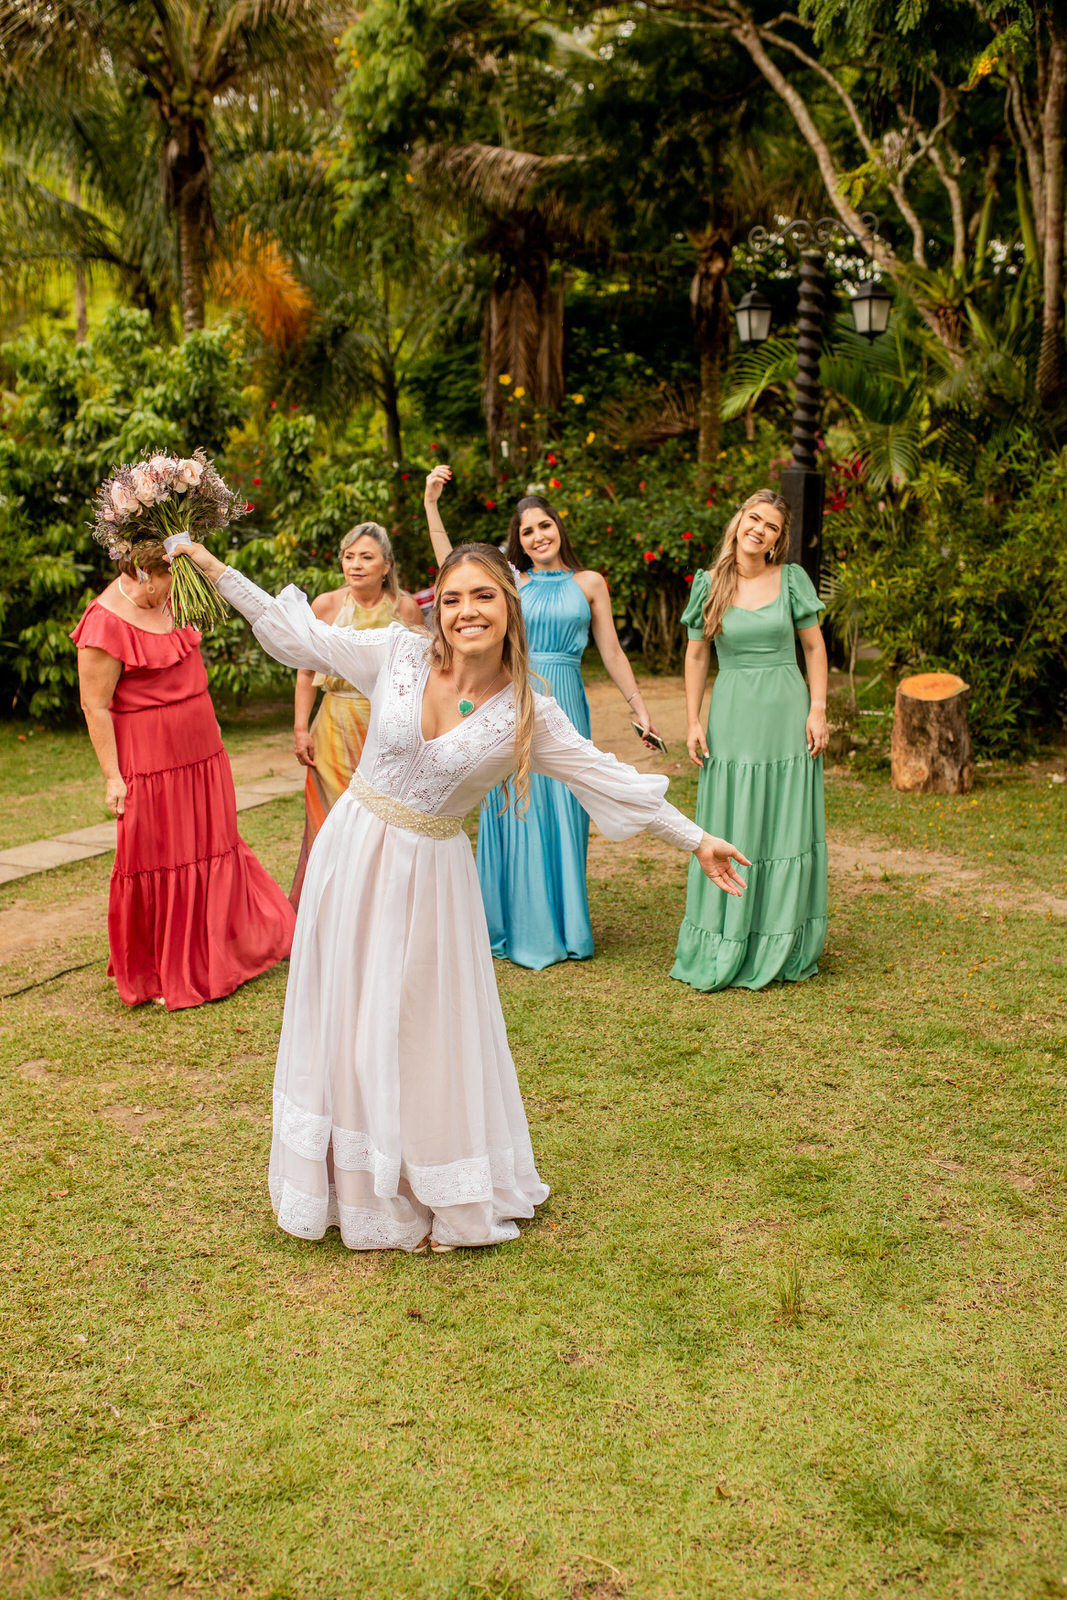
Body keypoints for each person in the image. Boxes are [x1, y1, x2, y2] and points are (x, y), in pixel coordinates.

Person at [174, 537, 748, 1253]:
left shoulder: (528, 713)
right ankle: (347, 1185)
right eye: (451, 599)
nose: (465, 611)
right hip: (350, 855)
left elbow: (608, 779)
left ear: (508, 607)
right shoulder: (396, 654)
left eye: (481, 596)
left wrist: (694, 838)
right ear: (434, 608)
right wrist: (212, 567)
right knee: (344, 1012)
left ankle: (426, 1182)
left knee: (414, 1026)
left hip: (430, 881)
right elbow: (300, 636)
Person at [423, 466, 665, 969]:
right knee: (514, 809)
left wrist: (638, 708)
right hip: (512, 698)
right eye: (527, 531)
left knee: (566, 811)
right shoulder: (511, 582)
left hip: (568, 703)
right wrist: (431, 504)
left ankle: (564, 926)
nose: (537, 536)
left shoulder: (590, 582)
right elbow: (454, 565)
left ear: (559, 528)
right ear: (519, 541)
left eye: (544, 525)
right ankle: (507, 925)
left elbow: (613, 652)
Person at [72, 544, 296, 1010]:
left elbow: (193, 668)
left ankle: (224, 950)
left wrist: (211, 729)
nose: (177, 587)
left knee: (213, 845)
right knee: (159, 854)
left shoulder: (174, 601)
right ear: (143, 574)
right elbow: (95, 705)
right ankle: (163, 968)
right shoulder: (105, 621)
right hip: (150, 761)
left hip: (202, 752)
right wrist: (113, 777)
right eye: (172, 577)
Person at [672, 489, 829, 993]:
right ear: (739, 520)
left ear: (778, 541)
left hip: (786, 711)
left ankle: (780, 937)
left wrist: (818, 709)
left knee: (784, 823)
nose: (759, 530)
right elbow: (697, 657)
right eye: (753, 519)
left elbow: (814, 647)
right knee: (733, 817)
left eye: (772, 528)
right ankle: (728, 935)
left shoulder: (791, 580)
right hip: (734, 712)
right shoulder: (710, 583)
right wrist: (693, 721)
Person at [290, 522, 423, 907]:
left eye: (367, 557)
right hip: (333, 723)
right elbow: (304, 671)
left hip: (387, 726)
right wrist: (301, 728)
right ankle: (328, 907)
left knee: (384, 820)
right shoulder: (326, 606)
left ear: (387, 565)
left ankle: (381, 907)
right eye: (350, 556)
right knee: (331, 820)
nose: (356, 565)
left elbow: (419, 674)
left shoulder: (405, 608)